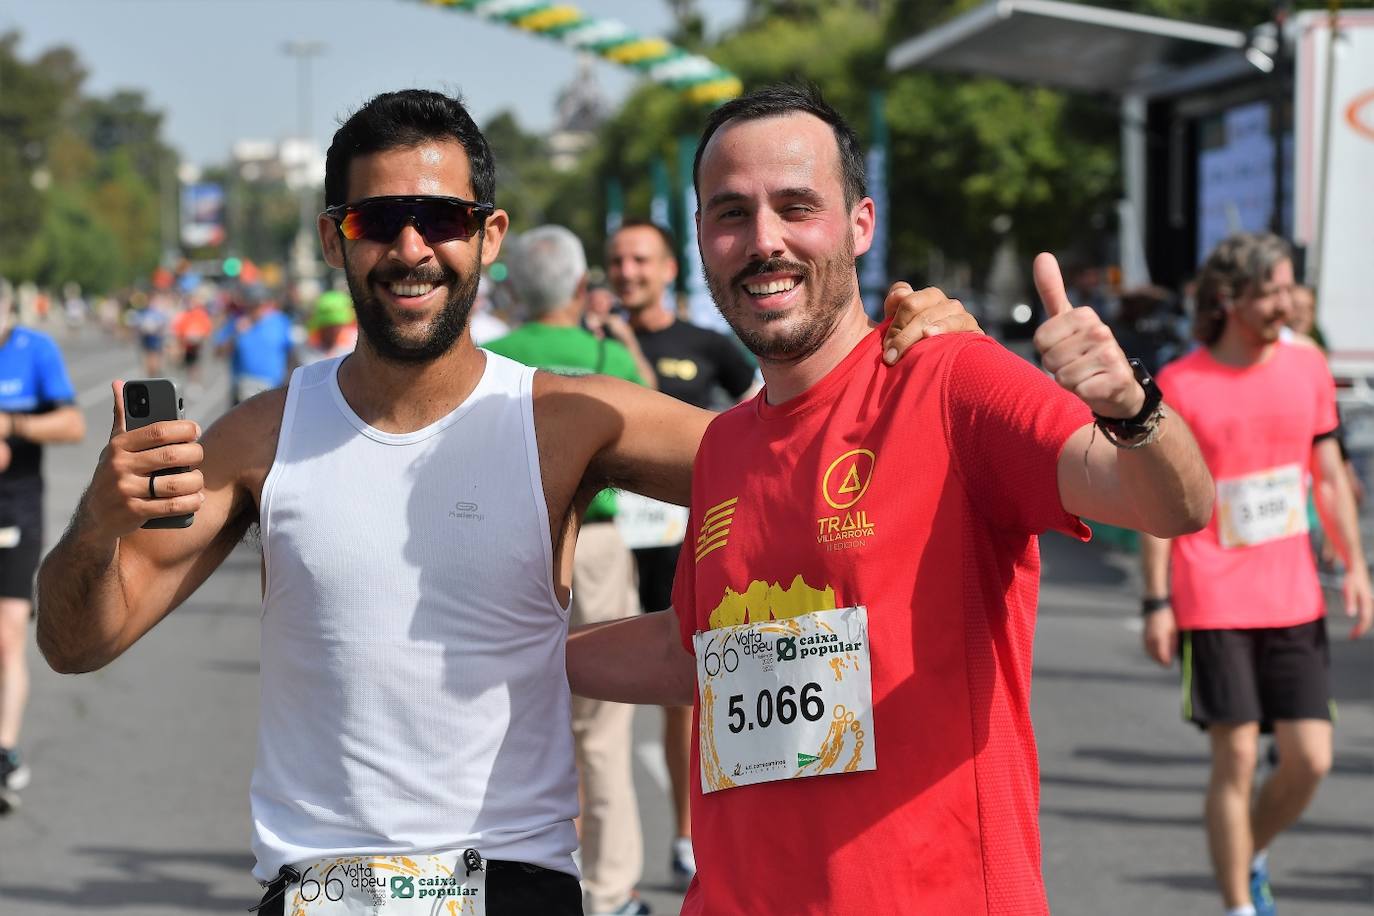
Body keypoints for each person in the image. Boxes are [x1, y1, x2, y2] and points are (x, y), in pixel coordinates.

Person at [34, 89, 972, 915]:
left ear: (489, 235)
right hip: (324, 885)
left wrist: (918, 356)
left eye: (440, 218)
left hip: (509, 877)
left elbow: (808, 461)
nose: (411, 247)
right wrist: (99, 523)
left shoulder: (564, 417)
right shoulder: (262, 437)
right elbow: (75, 643)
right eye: (378, 219)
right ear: (334, 237)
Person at [566, 83, 1214, 915]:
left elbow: (1172, 505)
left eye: (797, 207)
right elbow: (692, 652)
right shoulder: (724, 444)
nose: (763, 241)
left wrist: (1133, 410)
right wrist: (516, 659)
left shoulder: (950, 380)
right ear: (701, 239)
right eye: (731, 213)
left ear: (862, 224)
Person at [1140, 233, 1372, 916]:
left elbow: (1327, 476)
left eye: (1286, 287)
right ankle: (1241, 905)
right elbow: (1163, 504)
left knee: (1311, 759)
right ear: (1228, 299)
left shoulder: (1308, 368)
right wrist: (1157, 600)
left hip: (1293, 593)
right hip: (1212, 594)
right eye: (1269, 290)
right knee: (1236, 758)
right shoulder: (1181, 385)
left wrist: (1355, 565)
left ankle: (1251, 849)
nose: (1285, 303)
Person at [487, 224, 652, 916]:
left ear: (513, 290)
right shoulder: (606, 353)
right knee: (604, 727)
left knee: (505, 716)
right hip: (603, 542)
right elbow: (655, 420)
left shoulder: (486, 360)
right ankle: (610, 890)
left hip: (509, 542)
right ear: (582, 287)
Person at [605, 218, 758, 889]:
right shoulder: (592, 341)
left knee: (685, 698)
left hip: (681, 540)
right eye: (615, 260)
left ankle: (686, 835)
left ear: (670, 268)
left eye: (640, 259)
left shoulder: (703, 344)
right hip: (608, 542)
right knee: (591, 712)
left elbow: (756, 405)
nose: (626, 271)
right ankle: (595, 858)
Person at [0, 283, 86, 812]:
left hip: (14, 509)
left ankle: (4, 749)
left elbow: (74, 424)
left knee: (7, 634)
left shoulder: (35, 351)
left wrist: (11, 425)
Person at [215, 287, 295, 405]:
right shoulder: (236, 323)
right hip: (243, 389)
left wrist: (290, 382)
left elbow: (292, 354)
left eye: (261, 305)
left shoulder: (280, 322)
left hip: (274, 388)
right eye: (252, 305)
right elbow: (219, 352)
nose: (257, 310)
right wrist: (235, 334)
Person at [299, 289, 358, 365]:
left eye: (338, 324)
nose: (334, 330)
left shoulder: (356, 344)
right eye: (329, 325)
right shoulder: (304, 347)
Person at [172, 295, 215, 386]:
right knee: (185, 363)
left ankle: (194, 382)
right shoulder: (184, 315)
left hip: (198, 344)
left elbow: (207, 328)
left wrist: (200, 336)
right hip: (186, 344)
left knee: (196, 364)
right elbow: (178, 329)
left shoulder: (201, 314)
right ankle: (186, 381)